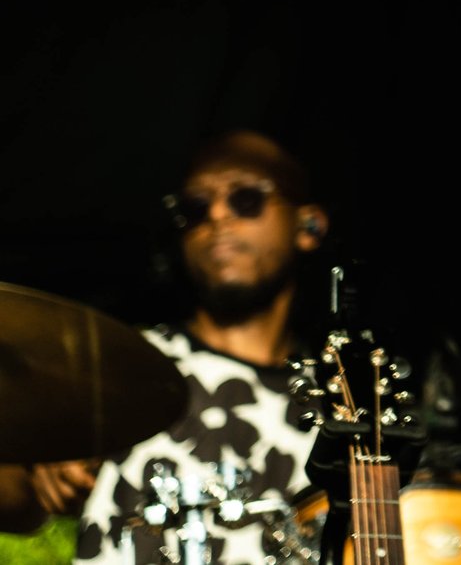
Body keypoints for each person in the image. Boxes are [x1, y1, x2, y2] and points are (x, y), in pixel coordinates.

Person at [0, 132, 331, 565]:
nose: (216, 214)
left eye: (246, 198)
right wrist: (39, 463)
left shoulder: (338, 405)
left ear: (309, 226)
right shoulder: (121, 366)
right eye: (194, 208)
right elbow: (13, 504)